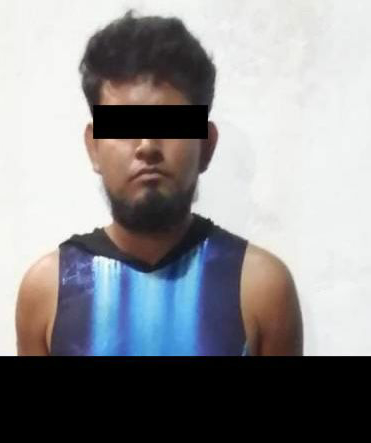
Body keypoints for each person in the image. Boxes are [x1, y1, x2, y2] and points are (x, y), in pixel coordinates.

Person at [15, 9, 303, 356]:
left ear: (207, 145)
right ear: (93, 146)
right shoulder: (47, 290)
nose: (147, 146)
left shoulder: (261, 288)